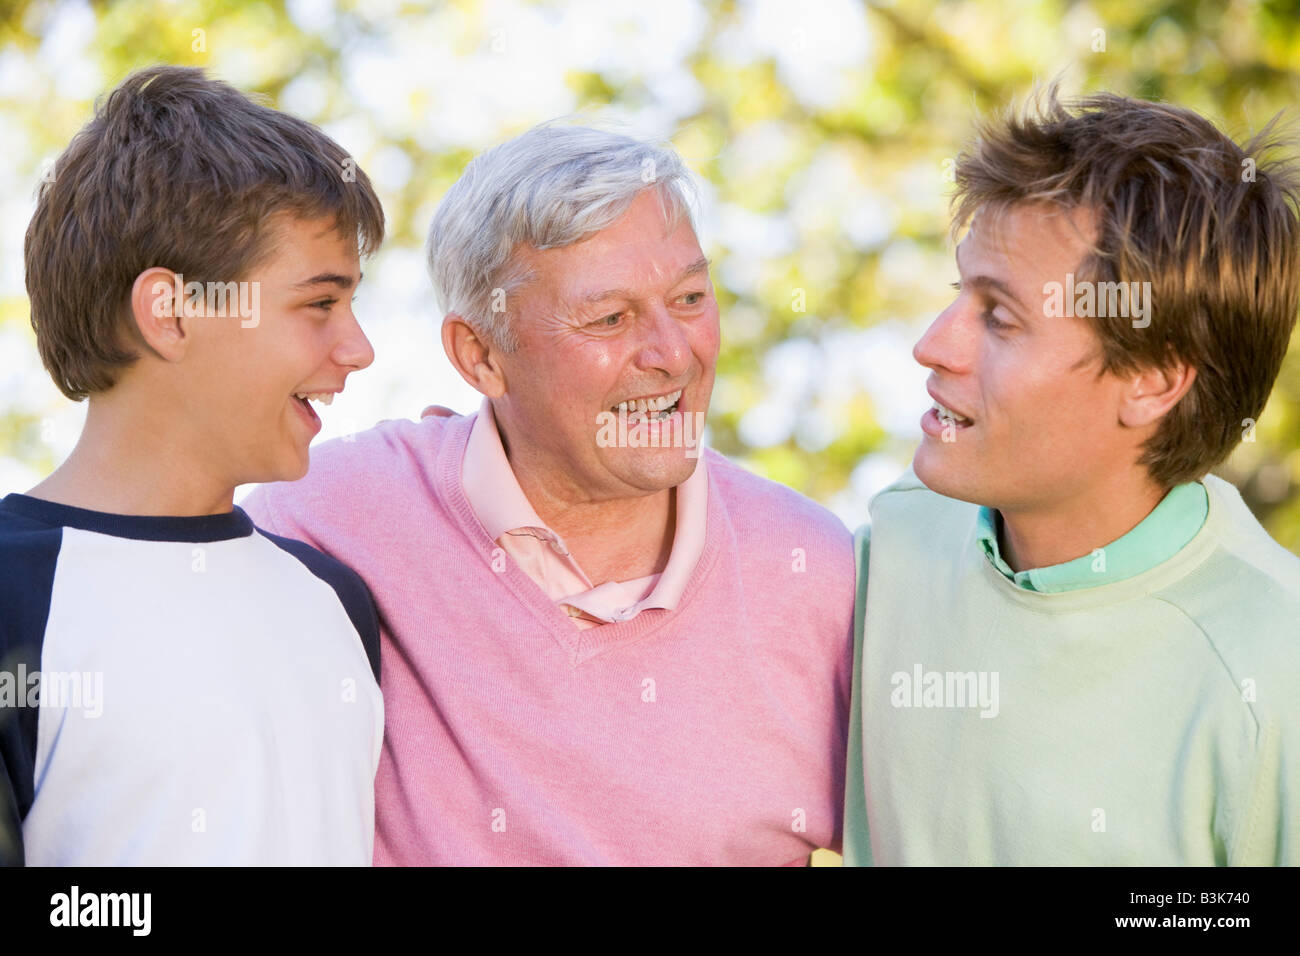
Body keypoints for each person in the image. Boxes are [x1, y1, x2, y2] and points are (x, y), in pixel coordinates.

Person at [242, 122, 856, 865]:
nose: (672, 354)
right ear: (481, 357)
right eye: (610, 318)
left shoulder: (815, 573)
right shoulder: (328, 511)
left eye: (690, 298)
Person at [844, 89, 1300, 865]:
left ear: (1153, 381)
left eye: (1001, 318)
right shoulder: (897, 539)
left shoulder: (1275, 664)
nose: (932, 346)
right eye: (962, 293)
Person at [0, 65, 386, 865]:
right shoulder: (10, 598)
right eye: (319, 303)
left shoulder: (335, 600)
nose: (359, 349)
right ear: (170, 313)